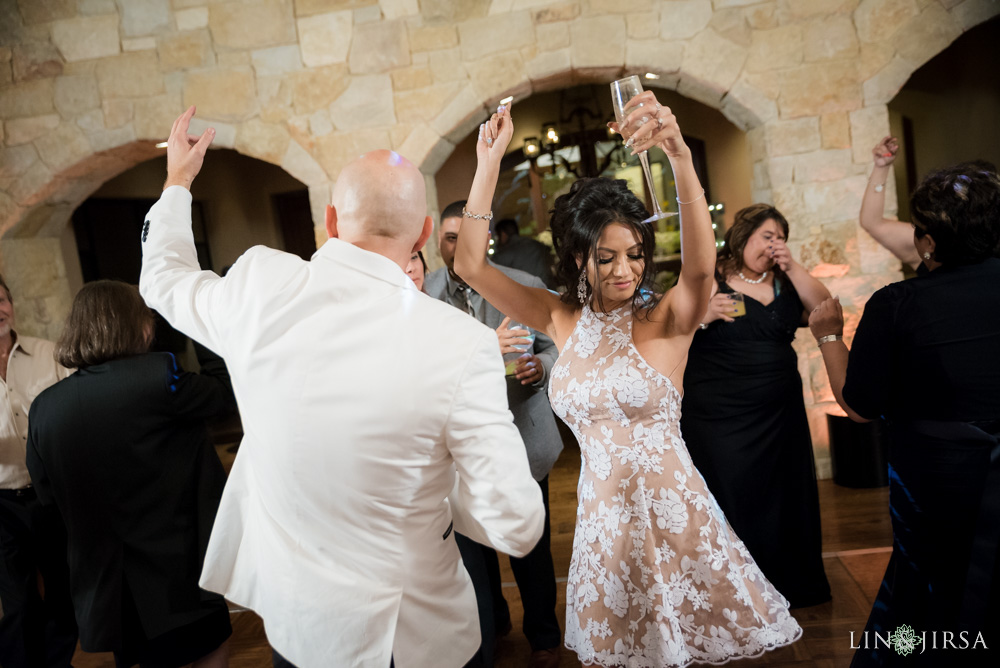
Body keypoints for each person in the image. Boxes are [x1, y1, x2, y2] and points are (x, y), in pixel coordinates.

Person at [139, 106, 545, 668]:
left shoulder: (259, 288)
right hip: (417, 639)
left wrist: (178, 182)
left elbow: (162, 279)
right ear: (424, 233)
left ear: (330, 221)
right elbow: (517, 525)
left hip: (302, 632)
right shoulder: (460, 342)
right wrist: (433, 486)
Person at [455, 101, 801, 666]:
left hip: (676, 516)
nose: (625, 270)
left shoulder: (666, 317)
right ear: (576, 257)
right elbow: (470, 265)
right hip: (603, 525)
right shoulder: (557, 317)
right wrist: (488, 164)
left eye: (635, 255)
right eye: (607, 257)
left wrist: (679, 155)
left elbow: (698, 269)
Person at [810, 164, 1000, 666]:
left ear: (930, 242)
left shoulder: (897, 303)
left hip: (940, 482)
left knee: (929, 592)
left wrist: (829, 334)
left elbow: (859, 408)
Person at [25, 280, 234, 668]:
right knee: (211, 650)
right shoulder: (159, 376)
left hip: (110, 587)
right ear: (138, 325)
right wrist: (200, 318)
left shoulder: (43, 408)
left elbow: (47, 495)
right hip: (179, 571)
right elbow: (224, 392)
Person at [426, 201, 564, 667]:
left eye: (465, 234)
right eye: (449, 236)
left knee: (532, 550)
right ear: (439, 242)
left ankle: (544, 636)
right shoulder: (422, 295)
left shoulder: (523, 285)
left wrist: (540, 367)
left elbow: (560, 347)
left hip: (523, 441)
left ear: (483, 237)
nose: (458, 243)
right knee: (473, 552)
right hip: (456, 453)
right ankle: (493, 624)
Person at [680, 204, 832, 608]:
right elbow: (672, 324)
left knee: (784, 494)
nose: (774, 244)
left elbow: (824, 310)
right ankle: (736, 592)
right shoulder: (712, 275)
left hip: (779, 412)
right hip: (719, 413)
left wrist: (793, 265)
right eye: (768, 236)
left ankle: (788, 585)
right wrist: (704, 315)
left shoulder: (786, 283)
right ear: (743, 237)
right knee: (732, 492)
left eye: (781, 238)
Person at [0, 274, 78, 668]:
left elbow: (78, 414)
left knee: (64, 593)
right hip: (1, 505)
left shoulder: (50, 353)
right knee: (16, 600)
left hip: (50, 495)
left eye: (1, 299)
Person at [492, 218, 556, 288]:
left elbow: (489, 276)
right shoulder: (538, 246)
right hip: (549, 293)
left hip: (523, 296)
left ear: (503, 234)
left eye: (497, 236)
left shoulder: (503, 254)